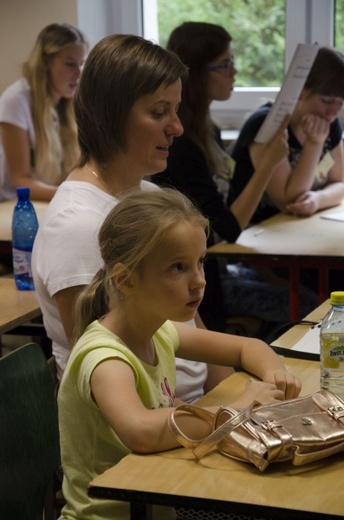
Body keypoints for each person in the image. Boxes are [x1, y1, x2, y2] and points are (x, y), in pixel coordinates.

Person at [58, 187, 302, 520]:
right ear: (126, 280)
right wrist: (237, 407)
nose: (199, 281)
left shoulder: (159, 330)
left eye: (199, 262)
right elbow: (141, 431)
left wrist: (276, 374)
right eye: (177, 268)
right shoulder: (105, 358)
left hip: (162, 500)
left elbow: (248, 346)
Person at [32, 33, 232, 402]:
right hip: (147, 431)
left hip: (191, 410)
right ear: (111, 116)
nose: (177, 127)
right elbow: (105, 366)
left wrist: (236, 395)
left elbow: (191, 319)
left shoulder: (149, 195)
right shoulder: (78, 225)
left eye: (175, 110)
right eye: (159, 112)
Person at [153, 22, 318, 333]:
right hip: (201, 279)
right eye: (226, 65)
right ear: (199, 72)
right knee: (307, 304)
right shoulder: (182, 145)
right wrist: (267, 165)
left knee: (305, 287)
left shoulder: (208, 130)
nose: (235, 72)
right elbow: (227, 229)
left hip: (219, 266)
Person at [230, 46, 344, 223]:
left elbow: (340, 183)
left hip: (293, 226)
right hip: (254, 232)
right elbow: (289, 201)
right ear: (300, 91)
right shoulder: (266, 124)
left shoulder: (329, 122)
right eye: (326, 101)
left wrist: (317, 199)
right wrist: (314, 144)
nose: (333, 111)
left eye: (340, 103)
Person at [0, 23, 87, 202]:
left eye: (81, 63)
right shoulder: (15, 100)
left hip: (46, 201)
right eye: (70, 64)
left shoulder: (70, 101)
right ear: (46, 62)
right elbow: (21, 181)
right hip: (12, 205)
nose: (78, 73)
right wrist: (75, 194)